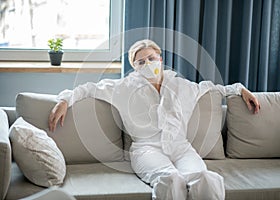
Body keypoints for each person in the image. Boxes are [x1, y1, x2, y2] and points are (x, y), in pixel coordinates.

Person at [48, 39, 260, 200]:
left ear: (160, 59)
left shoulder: (181, 86)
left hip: (181, 148)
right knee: (171, 179)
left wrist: (240, 90)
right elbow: (88, 89)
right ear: (135, 67)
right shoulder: (123, 88)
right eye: (141, 61)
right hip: (146, 149)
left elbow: (214, 88)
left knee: (204, 178)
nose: (147, 63)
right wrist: (64, 101)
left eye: (151, 58)